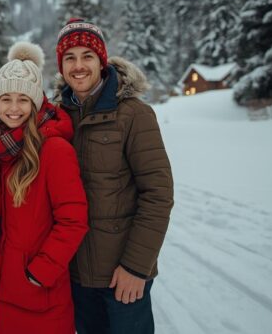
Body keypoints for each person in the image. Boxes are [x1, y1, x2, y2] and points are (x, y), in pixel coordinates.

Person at [53, 18, 174, 334]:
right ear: (61, 65)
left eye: (87, 56)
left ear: (101, 60)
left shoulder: (133, 114)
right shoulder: (56, 118)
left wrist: (136, 267)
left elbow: (158, 194)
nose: (78, 66)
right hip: (77, 277)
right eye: (70, 58)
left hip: (123, 277)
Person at [0, 41, 89, 334]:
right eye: (6, 99)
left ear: (36, 102)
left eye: (23, 99)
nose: (14, 108)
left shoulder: (54, 149)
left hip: (37, 299)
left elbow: (73, 220)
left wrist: (39, 272)